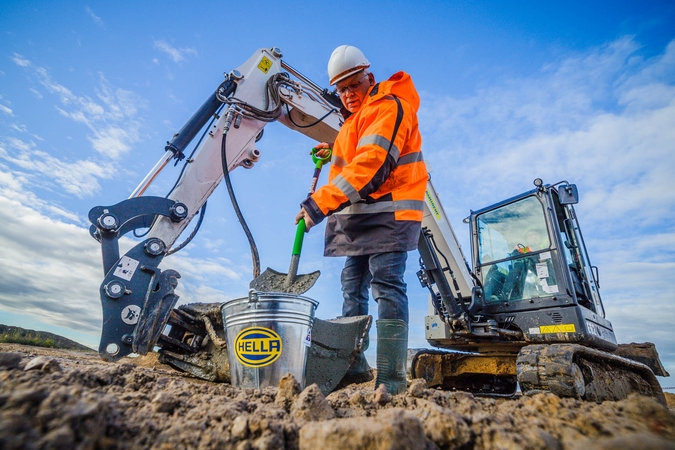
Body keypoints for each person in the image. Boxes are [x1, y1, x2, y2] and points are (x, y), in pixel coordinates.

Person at [295, 45, 428, 394]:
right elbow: (357, 152)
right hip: (359, 218)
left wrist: (317, 204)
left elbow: (373, 164)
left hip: (388, 214)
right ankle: (353, 367)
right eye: (341, 90)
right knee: (352, 288)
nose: (348, 94)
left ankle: (391, 379)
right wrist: (336, 147)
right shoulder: (355, 120)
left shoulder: (388, 105)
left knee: (386, 285)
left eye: (353, 85)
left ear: (369, 75)